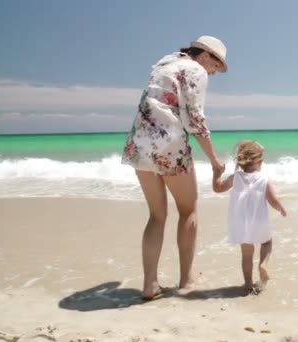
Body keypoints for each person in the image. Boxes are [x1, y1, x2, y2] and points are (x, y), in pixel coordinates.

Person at [121, 35, 228, 300]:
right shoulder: (195, 70)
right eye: (216, 66)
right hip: (168, 146)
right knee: (188, 209)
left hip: (140, 144)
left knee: (156, 216)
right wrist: (214, 159)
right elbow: (195, 119)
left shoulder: (163, 64)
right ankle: (187, 278)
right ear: (206, 56)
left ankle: (150, 285)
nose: (213, 73)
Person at [212, 140, 287, 294]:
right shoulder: (264, 178)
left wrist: (216, 174)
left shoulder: (236, 177)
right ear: (260, 161)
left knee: (246, 255)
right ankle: (263, 265)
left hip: (240, 222)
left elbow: (218, 188)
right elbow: (273, 200)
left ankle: (247, 284)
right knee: (267, 242)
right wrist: (281, 208)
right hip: (259, 220)